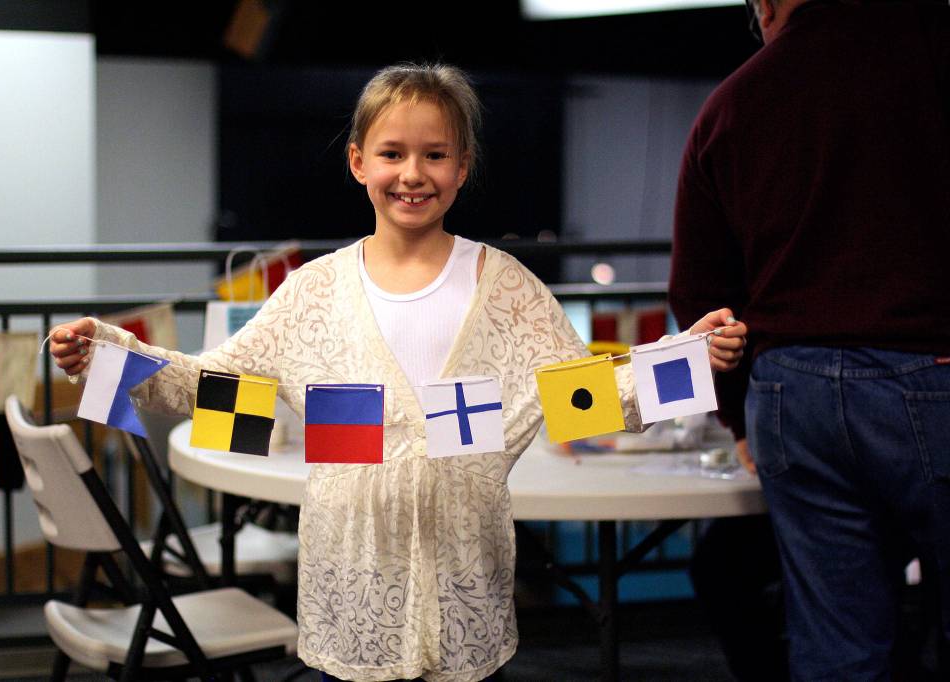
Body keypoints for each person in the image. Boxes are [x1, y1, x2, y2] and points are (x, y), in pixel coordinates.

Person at [51, 63, 747, 682]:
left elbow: (585, 397)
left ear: (463, 166)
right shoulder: (314, 294)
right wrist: (107, 354)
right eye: (393, 153)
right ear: (358, 162)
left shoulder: (502, 286)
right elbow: (213, 388)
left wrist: (688, 358)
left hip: (465, 590)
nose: (413, 173)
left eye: (434, 154)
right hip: (351, 594)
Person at [669, 1, 950, 680]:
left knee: (839, 650)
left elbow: (701, 297)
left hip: (792, 396)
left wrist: (736, 415)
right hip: (935, 374)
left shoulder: (732, 103)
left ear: (765, 4)